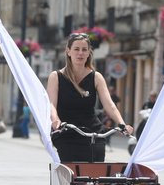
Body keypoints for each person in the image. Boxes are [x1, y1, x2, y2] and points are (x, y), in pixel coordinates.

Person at [47, 33, 133, 162]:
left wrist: (121, 124)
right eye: (76, 49)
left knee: (97, 173)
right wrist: (56, 121)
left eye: (84, 50)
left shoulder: (96, 77)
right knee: (72, 172)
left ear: (88, 53)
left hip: (93, 132)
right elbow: (51, 104)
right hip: (66, 131)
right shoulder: (56, 77)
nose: (80, 53)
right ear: (68, 51)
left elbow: (109, 104)